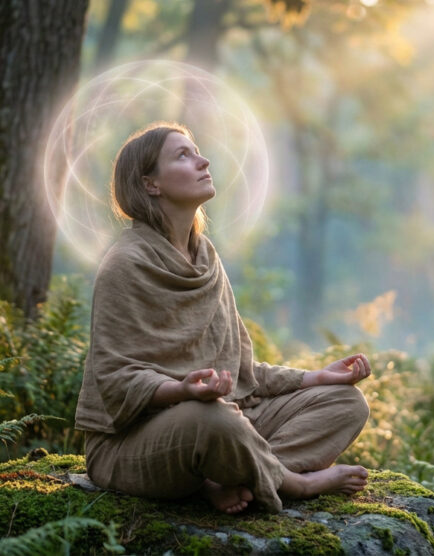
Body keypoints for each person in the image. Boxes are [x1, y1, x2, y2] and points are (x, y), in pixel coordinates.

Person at [75, 121, 372, 515]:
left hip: (222, 419)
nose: (204, 160)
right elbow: (115, 380)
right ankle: (293, 483)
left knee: (347, 403)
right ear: (151, 184)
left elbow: (243, 374)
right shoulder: (124, 265)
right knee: (213, 421)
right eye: (183, 155)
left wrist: (317, 377)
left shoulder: (206, 260)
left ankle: (227, 477)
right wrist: (183, 391)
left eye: (197, 150)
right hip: (133, 443)